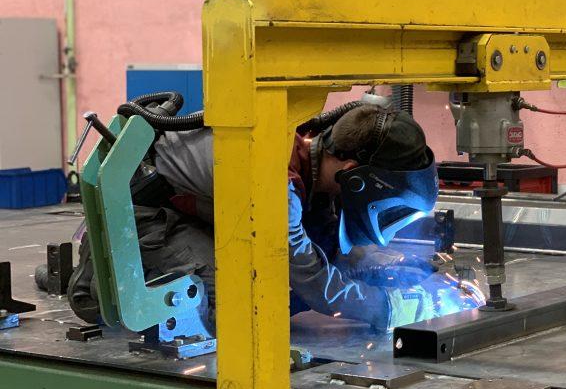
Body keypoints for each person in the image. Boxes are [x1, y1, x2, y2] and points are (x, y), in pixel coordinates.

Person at [69, 99, 439, 330]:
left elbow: (322, 246)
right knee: (239, 309)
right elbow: (309, 277)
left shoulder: (308, 155)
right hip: (144, 217)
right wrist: (385, 308)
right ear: (355, 174)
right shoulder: (275, 181)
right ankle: (99, 284)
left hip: (194, 209)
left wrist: (380, 268)